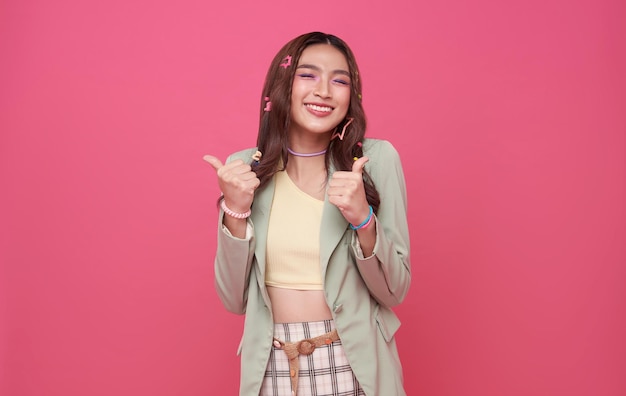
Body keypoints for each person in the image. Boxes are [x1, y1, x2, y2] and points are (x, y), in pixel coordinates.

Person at [204, 32, 411, 396]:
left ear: (352, 95)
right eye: (308, 75)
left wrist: (363, 219)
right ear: (281, 85)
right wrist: (234, 211)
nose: (325, 91)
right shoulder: (246, 168)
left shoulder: (375, 161)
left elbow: (394, 290)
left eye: (340, 80)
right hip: (273, 364)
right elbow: (233, 299)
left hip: (354, 361)